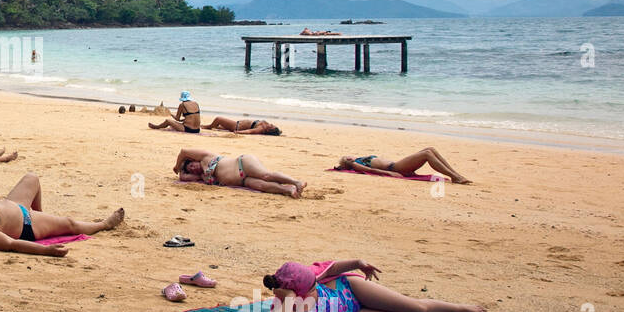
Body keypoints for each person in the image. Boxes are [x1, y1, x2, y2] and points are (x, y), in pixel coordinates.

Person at [263, 260, 489, 312]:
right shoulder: (291, 308)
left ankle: (460, 307)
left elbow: (331, 269)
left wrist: (358, 263)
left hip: (351, 290)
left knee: (416, 308)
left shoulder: (315, 278)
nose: (316, 286)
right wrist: (288, 298)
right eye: (312, 288)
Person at [0, 172, 125, 255]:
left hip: (13, 203)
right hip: (27, 223)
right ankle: (104, 224)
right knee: (70, 223)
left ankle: (44, 216)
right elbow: (10, 245)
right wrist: (47, 251)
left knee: (32, 178)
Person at [174, 147, 306, 197]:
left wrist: (176, 166)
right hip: (242, 180)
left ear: (194, 159)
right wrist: (182, 170)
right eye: (190, 169)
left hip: (242, 163)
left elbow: (183, 152)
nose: (192, 168)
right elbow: (183, 177)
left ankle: (296, 182)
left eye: (191, 164)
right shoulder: (201, 177)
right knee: (262, 186)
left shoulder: (206, 157)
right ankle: (288, 190)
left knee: (265, 175)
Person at [337, 148, 471, 184]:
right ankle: (454, 176)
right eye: (345, 159)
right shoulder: (356, 164)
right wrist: (390, 174)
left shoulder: (360, 159)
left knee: (431, 149)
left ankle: (456, 175)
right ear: (347, 163)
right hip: (396, 168)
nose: (347, 157)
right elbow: (371, 170)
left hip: (397, 165)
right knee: (427, 154)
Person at [202, 116, 282, 136]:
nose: (271, 124)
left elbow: (250, 131)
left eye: (272, 126)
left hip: (236, 126)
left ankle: (208, 127)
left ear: (268, 130)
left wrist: (238, 132)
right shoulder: (266, 125)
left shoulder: (260, 129)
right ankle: (213, 127)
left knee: (218, 119)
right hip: (237, 124)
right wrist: (278, 131)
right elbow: (278, 131)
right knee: (219, 127)